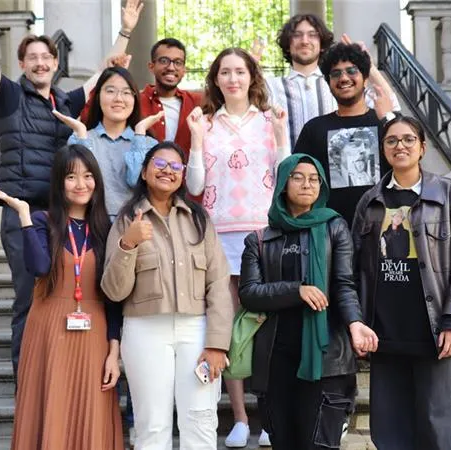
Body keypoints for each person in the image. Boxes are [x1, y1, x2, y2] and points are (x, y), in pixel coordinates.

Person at [0, 0, 144, 379]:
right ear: (22, 65)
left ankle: (60, 379)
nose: (40, 63)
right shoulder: (9, 97)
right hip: (22, 212)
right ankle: (27, 387)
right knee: (26, 300)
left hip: (62, 215)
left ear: (55, 63)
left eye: (46, 57)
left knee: (61, 297)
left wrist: (126, 30)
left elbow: (106, 74)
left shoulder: (64, 102)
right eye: (32, 57)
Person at [351, 116, 451, 450]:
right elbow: (355, 268)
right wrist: (359, 323)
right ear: (383, 149)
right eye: (392, 141)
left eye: (408, 139)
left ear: (422, 147)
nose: (400, 146)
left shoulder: (450, 195)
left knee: (440, 430)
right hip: (385, 335)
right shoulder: (370, 203)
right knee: (390, 433)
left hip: (435, 333)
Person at [185, 47, 289, 448]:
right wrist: (195, 139)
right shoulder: (206, 124)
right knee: (227, 329)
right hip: (220, 238)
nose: (232, 79)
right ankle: (241, 419)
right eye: (225, 72)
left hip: (264, 236)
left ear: (252, 77)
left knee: (267, 327)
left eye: (240, 72)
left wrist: (281, 138)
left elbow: (285, 178)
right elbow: (194, 186)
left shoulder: (270, 120)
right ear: (215, 78)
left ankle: (269, 417)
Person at [238, 154, 378, 450]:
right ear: (283, 185)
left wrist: (355, 324)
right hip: (276, 360)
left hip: (326, 358)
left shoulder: (334, 227)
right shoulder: (259, 240)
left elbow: (343, 284)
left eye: (314, 178)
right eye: (298, 177)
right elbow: (249, 293)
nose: (307, 184)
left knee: (319, 445)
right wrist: (296, 290)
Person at [101, 142, 235, 450]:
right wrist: (128, 245)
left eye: (176, 167)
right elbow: (113, 290)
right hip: (144, 329)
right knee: (152, 425)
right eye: (160, 164)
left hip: (196, 330)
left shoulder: (199, 219)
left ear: (183, 176)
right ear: (145, 172)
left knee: (200, 422)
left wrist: (216, 344)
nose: (168, 171)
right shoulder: (127, 220)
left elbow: (218, 283)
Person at [0, 144, 124, 450]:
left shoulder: (106, 229)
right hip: (49, 329)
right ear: (58, 182)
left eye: (88, 176)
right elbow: (38, 266)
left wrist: (114, 352)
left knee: (92, 413)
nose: (81, 184)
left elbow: (114, 297)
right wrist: (24, 216)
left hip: (95, 331)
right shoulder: (43, 222)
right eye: (72, 177)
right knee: (51, 409)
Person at [292, 42, 396, 228]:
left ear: (365, 79)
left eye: (351, 71)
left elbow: (409, 161)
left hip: (383, 229)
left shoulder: (386, 124)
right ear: (329, 82)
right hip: (330, 233)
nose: (344, 77)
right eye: (336, 73)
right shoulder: (314, 129)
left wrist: (388, 119)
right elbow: (297, 181)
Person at [265, 14, 400, 148]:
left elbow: (392, 107)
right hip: (290, 167)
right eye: (297, 35)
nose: (305, 41)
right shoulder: (271, 86)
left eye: (312, 35)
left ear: (322, 44)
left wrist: (366, 64)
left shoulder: (341, 83)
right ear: (288, 44)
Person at [56, 67, 160, 220]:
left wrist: (139, 135)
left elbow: (135, 181)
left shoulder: (148, 144)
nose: (118, 98)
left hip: (135, 226)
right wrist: (82, 136)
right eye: (110, 91)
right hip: (91, 227)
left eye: (126, 92)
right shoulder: (81, 138)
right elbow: (80, 184)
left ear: (135, 99)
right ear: (97, 97)